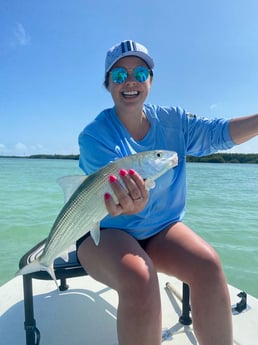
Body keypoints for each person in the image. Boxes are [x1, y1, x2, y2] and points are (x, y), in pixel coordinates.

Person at [77, 40, 258, 345]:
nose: (130, 81)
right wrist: (126, 204)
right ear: (107, 85)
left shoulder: (173, 121)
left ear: (151, 80)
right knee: (139, 276)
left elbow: (217, 134)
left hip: (160, 229)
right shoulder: (95, 135)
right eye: (119, 76)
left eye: (140, 72)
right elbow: (110, 198)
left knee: (208, 265)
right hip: (103, 232)